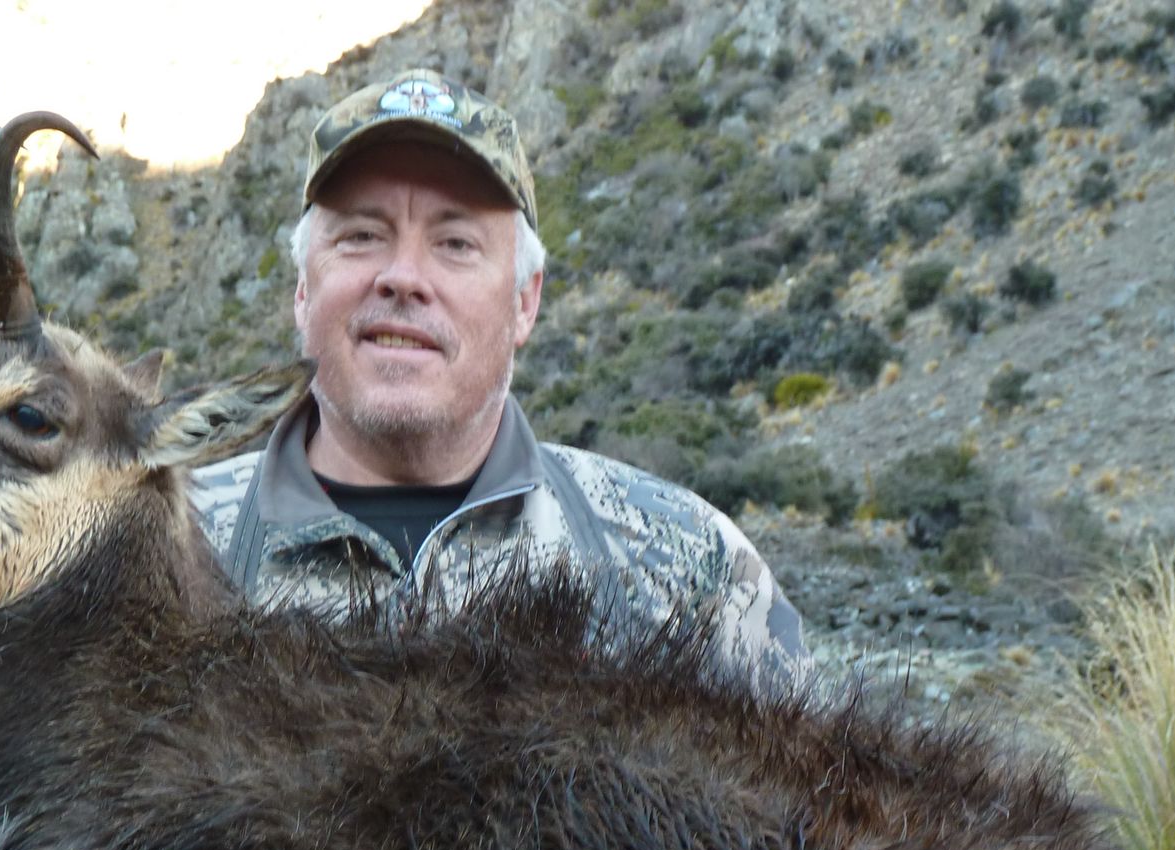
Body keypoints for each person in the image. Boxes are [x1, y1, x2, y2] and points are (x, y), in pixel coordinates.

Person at [193, 67, 808, 686]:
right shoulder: (171, 549)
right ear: (303, 289)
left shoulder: (689, 564)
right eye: (361, 235)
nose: (403, 276)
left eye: (456, 243)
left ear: (524, 301)